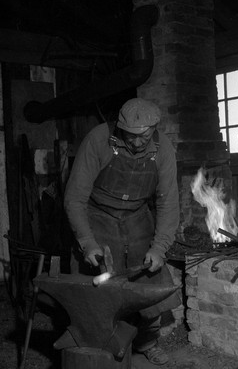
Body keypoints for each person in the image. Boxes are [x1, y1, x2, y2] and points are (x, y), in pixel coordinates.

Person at [64, 97, 181, 365]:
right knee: (100, 291)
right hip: (98, 215)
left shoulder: (163, 150)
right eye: (131, 136)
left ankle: (147, 342)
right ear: (120, 127)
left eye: (145, 136)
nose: (138, 143)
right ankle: (102, 344)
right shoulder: (98, 140)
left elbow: (168, 201)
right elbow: (75, 198)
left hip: (138, 216)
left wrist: (159, 247)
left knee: (150, 283)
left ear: (155, 129)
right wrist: (87, 242)